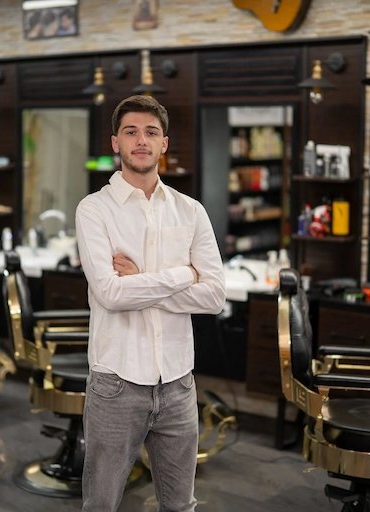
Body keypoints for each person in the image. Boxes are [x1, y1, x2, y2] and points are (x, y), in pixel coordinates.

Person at [75, 95, 226, 512]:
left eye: (151, 132)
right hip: (116, 383)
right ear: (115, 143)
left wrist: (140, 279)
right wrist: (183, 274)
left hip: (178, 383)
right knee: (101, 505)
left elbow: (214, 296)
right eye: (131, 132)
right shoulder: (94, 210)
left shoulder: (190, 211)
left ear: (164, 144)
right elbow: (111, 294)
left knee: (180, 506)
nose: (141, 140)